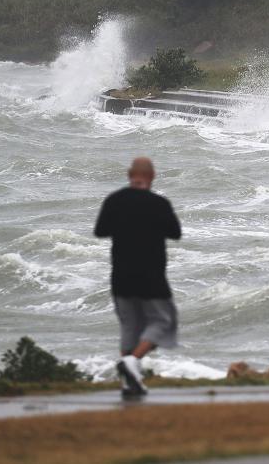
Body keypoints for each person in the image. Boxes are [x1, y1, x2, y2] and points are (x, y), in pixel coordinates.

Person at [94, 157, 182, 398]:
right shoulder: (159, 204)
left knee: (129, 327)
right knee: (163, 322)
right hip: (151, 275)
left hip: (121, 275)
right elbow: (175, 233)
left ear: (129, 175)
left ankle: (128, 383)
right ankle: (133, 361)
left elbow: (100, 231)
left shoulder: (114, 200)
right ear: (152, 177)